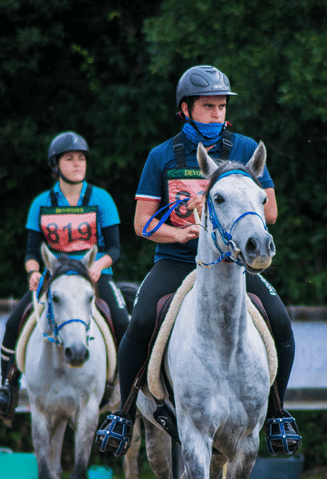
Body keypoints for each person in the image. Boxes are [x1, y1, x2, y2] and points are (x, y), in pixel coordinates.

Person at [99, 64, 301, 457]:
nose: (217, 114)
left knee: (279, 319)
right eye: (208, 106)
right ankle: (123, 415)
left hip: (232, 264)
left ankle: (277, 412)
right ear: (185, 109)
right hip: (176, 260)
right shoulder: (162, 156)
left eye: (222, 107)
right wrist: (179, 233)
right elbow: (142, 223)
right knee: (140, 321)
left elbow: (271, 212)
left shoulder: (244, 150)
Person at [0, 131, 129, 426]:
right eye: (69, 158)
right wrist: (33, 272)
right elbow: (30, 251)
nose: (77, 163)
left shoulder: (101, 199)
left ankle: (126, 395)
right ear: (56, 165)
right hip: (55, 279)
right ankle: (7, 389)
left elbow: (114, 247)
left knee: (124, 322)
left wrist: (99, 265)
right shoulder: (41, 202)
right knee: (14, 322)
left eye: (81, 158)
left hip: (92, 276)